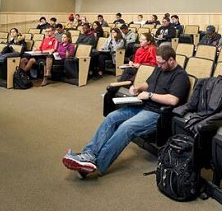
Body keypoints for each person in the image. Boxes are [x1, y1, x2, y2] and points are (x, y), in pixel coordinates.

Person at [62, 45, 190, 177]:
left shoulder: (180, 76)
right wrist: (137, 88)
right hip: (142, 104)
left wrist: (150, 95)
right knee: (112, 117)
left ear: (171, 60)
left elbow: (173, 100)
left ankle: (96, 165)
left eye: (161, 63)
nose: (158, 66)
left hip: (156, 113)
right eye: (157, 63)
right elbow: (148, 84)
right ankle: (88, 155)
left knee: (126, 127)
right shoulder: (159, 69)